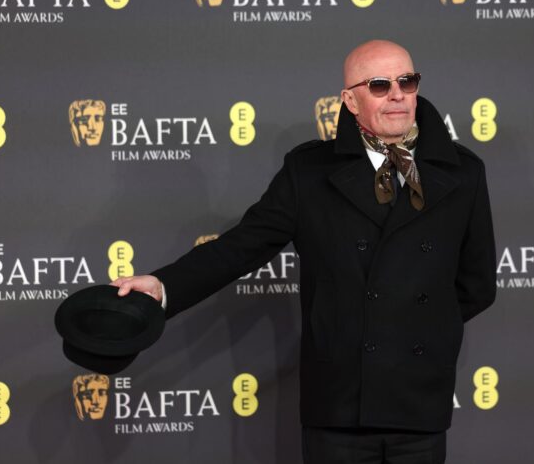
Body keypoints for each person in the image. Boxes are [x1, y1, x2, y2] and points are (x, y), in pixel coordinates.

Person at [112, 40, 497, 463]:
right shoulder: (309, 173)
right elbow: (243, 247)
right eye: (380, 84)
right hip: (339, 402)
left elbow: (476, 285)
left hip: (420, 401)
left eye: (407, 81)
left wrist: (418, 327)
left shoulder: (463, 173)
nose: (397, 95)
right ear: (350, 99)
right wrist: (164, 285)